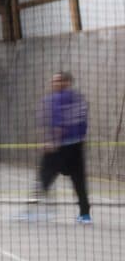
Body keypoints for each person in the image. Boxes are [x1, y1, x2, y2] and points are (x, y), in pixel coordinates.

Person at [34, 72, 90, 225]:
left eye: (58, 80)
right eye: (53, 81)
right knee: (79, 181)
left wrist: (52, 142)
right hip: (77, 147)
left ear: (67, 82)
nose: (54, 83)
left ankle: (35, 211)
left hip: (60, 148)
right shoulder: (80, 99)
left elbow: (59, 124)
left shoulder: (56, 99)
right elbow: (84, 123)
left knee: (44, 175)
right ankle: (85, 214)